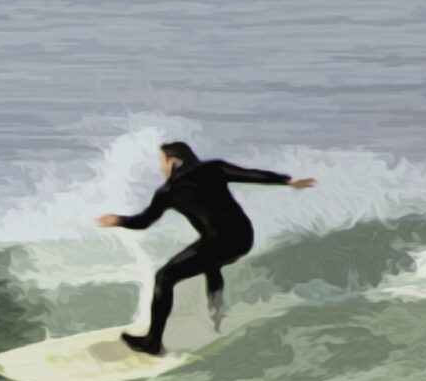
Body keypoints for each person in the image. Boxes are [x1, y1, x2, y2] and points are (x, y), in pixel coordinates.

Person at [93, 142, 316, 355]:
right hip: (243, 237)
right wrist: (287, 180)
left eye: (162, 161)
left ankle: (152, 342)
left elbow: (143, 222)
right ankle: (217, 314)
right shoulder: (214, 168)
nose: (161, 167)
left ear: (173, 162)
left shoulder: (168, 191)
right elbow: (250, 174)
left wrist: (118, 220)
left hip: (219, 242)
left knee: (164, 277)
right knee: (210, 262)